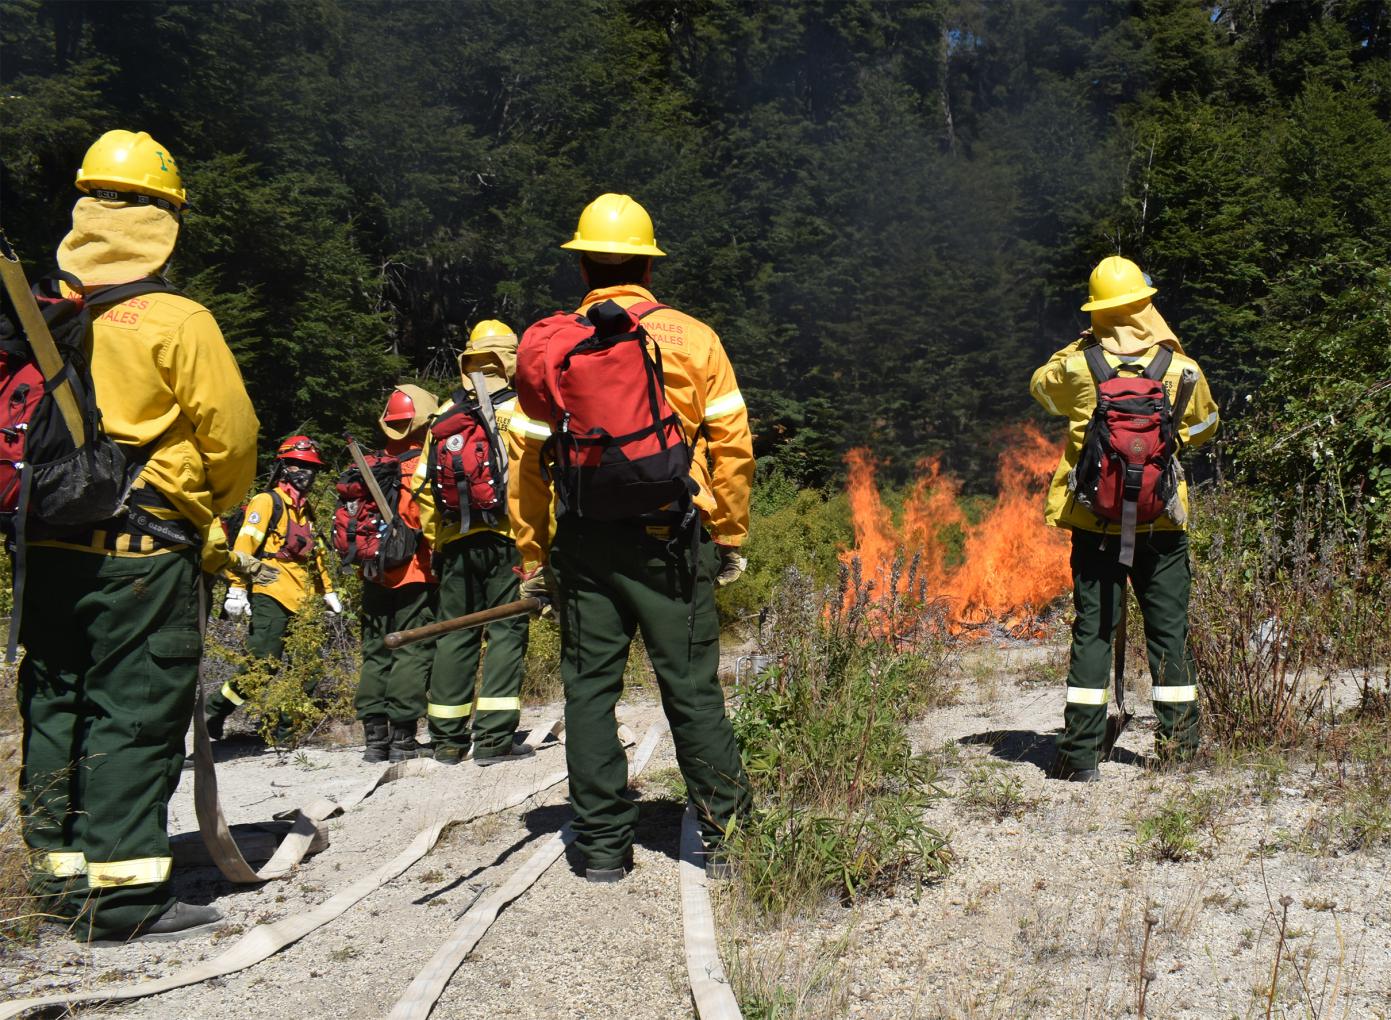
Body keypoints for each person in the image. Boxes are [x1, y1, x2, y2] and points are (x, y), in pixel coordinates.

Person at [18, 129, 259, 941]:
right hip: (142, 552)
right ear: (165, 221)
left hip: (45, 542)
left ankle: (56, 889)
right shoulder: (176, 319)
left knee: (56, 705)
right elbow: (232, 436)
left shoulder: (37, 313)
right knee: (132, 714)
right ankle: (121, 900)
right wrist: (217, 514)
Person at [513, 193, 754, 881]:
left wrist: (533, 556)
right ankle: (726, 838)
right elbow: (733, 446)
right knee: (691, 689)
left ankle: (600, 850)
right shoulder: (694, 338)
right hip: (672, 538)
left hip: (585, 540)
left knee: (589, 692)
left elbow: (527, 462)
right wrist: (728, 536)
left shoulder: (552, 345)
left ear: (582, 265)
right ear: (648, 267)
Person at [1030, 255, 1220, 781]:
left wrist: (1078, 346)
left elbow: (1040, 388)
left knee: (1093, 633)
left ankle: (1080, 756)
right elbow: (1207, 424)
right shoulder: (1181, 368)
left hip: (1096, 524)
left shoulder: (1076, 366)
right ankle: (1179, 750)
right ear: (1145, 304)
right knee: (1169, 633)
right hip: (1162, 523)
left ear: (1096, 312)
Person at [413, 320, 548, 764]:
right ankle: (492, 740)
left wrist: (439, 543)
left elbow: (422, 490)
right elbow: (540, 485)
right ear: (511, 358)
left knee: (454, 634)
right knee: (507, 632)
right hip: (511, 541)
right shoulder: (524, 411)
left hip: (455, 542)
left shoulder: (443, 416)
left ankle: (447, 741)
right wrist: (542, 550)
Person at [203, 435, 342, 738]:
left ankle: (285, 732)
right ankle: (216, 709)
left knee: (309, 669)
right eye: (298, 465)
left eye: (310, 467)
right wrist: (237, 589)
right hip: (270, 592)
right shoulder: (266, 502)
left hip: (303, 598)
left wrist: (327, 590)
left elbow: (316, 554)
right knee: (263, 665)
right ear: (284, 467)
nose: (306, 473)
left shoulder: (306, 510)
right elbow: (244, 547)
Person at [353, 385, 440, 763]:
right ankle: (403, 739)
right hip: (415, 572)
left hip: (373, 571)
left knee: (375, 650)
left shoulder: (370, 465)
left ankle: (374, 740)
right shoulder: (422, 465)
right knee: (411, 650)